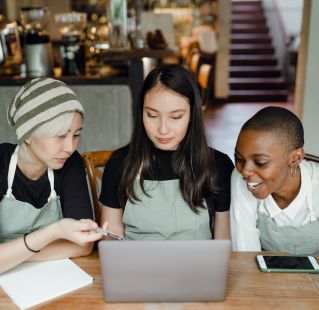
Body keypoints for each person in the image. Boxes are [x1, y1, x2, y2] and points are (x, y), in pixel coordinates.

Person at [99, 64, 234, 240]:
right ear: (141, 113)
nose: (163, 129)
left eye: (176, 117)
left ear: (193, 114)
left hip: (198, 267)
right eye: (152, 116)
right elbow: (110, 238)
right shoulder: (120, 164)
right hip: (136, 267)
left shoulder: (218, 165)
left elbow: (223, 241)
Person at [0, 77, 102, 274]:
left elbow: (84, 246)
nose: (70, 147)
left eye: (76, 135)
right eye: (60, 135)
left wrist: (11, 255)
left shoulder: (71, 164)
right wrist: (55, 232)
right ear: (28, 134)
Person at [230, 106, 319, 255]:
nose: (245, 171)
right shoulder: (241, 181)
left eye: (260, 162)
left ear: (295, 159)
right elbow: (245, 255)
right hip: (263, 274)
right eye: (239, 159)